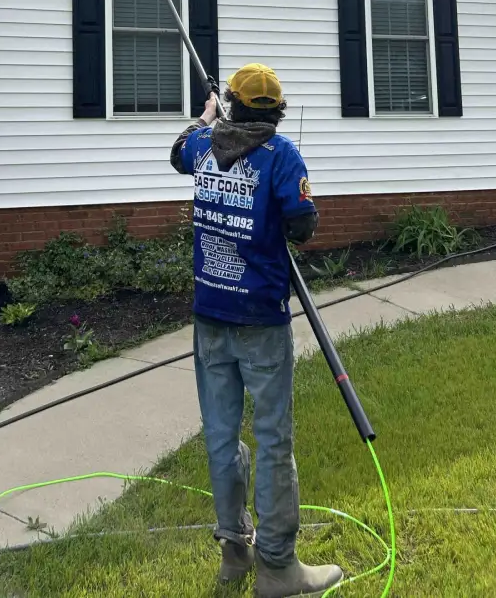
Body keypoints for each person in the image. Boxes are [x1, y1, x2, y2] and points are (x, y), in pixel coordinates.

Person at [170, 63, 343, 598]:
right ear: (277, 111)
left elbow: (179, 149)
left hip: (209, 315)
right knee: (271, 440)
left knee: (221, 435)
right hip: (261, 318)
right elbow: (302, 225)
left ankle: (233, 552)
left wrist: (206, 119)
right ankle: (277, 566)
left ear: (232, 105)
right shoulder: (281, 155)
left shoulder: (202, 145)